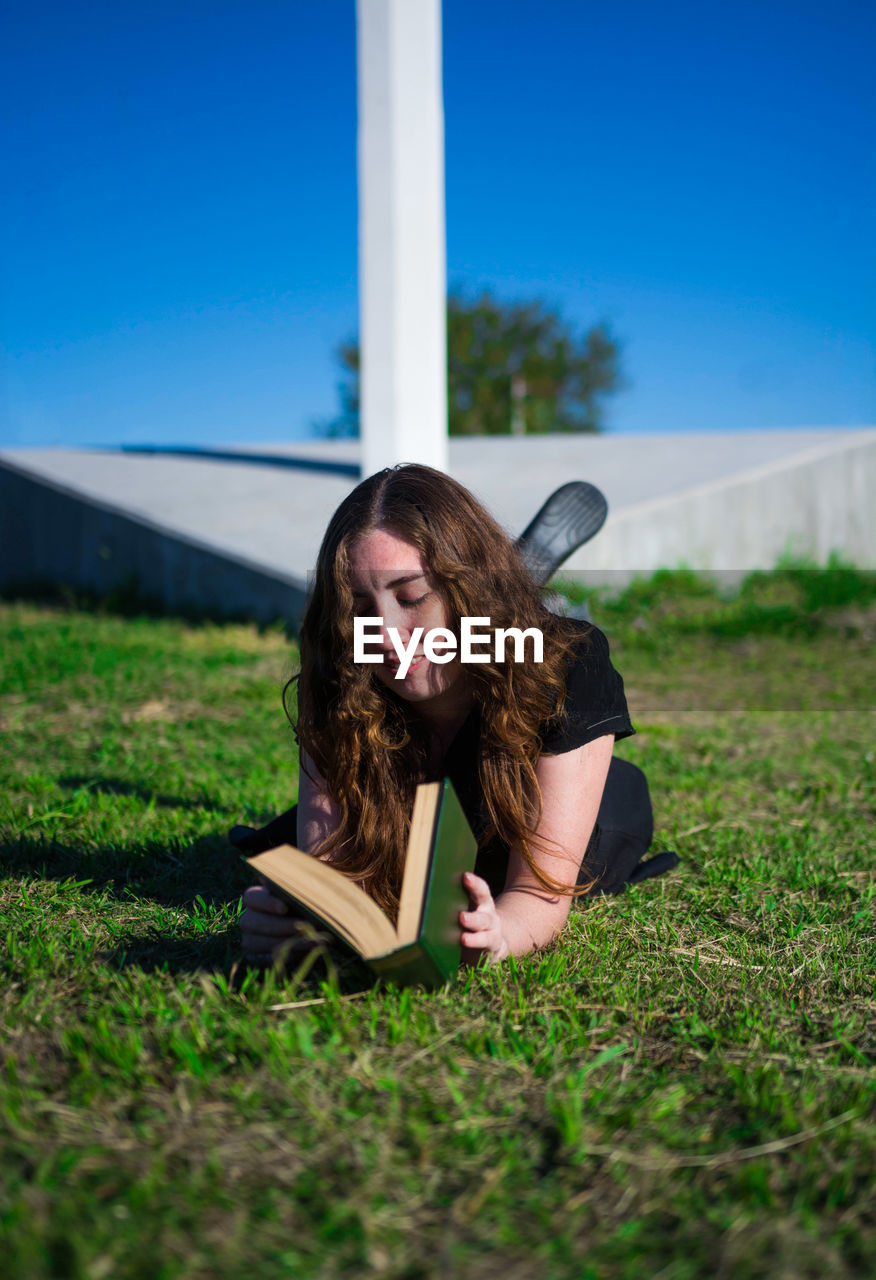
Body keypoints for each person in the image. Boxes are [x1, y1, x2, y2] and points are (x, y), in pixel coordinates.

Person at [235, 464, 677, 967]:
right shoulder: (344, 659)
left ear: (461, 587)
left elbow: (537, 898)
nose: (384, 634)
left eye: (412, 597)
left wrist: (500, 933)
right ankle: (503, 591)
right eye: (359, 606)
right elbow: (332, 875)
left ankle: (508, 598)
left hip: (546, 795)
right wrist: (299, 923)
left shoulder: (574, 663)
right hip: (419, 796)